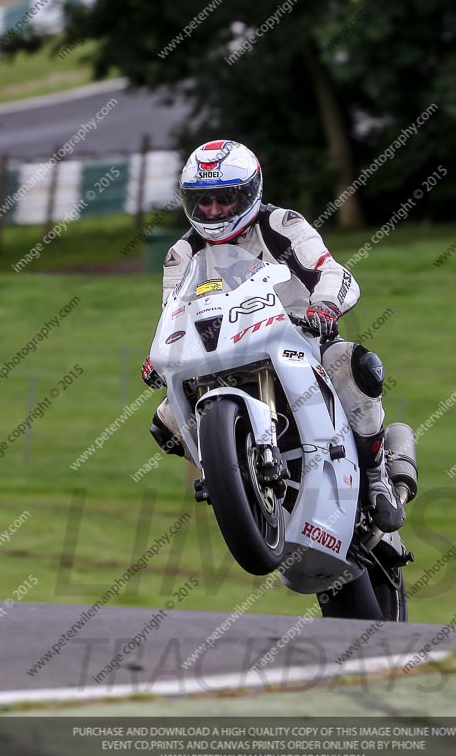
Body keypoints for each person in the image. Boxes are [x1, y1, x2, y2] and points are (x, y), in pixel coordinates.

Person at [141, 140, 404, 532]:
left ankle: (377, 476)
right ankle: (235, 480)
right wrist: (158, 357)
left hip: (297, 338)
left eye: (224, 199)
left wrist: (326, 305)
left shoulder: (283, 225)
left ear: (249, 193)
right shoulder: (181, 254)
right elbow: (173, 313)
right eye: (203, 201)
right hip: (220, 354)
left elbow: (332, 271)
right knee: (165, 423)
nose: (213, 210)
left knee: (353, 364)